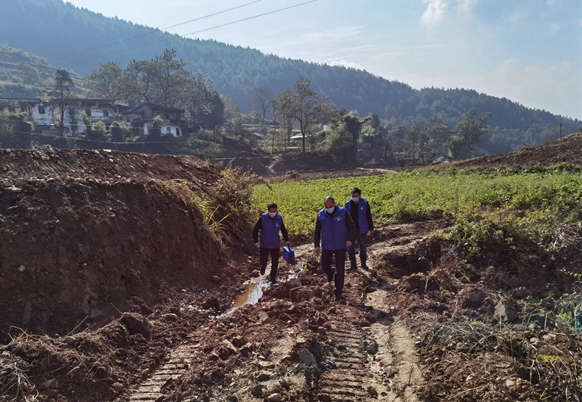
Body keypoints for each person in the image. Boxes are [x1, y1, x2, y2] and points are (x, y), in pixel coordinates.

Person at [314, 196, 356, 300]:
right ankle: (330, 272)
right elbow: (317, 231)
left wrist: (350, 239)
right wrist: (316, 245)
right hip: (327, 245)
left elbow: (352, 227)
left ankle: (339, 290)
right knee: (324, 265)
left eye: (330, 206)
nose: (328, 208)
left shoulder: (343, 212)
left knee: (340, 268)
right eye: (326, 206)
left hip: (340, 245)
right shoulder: (320, 215)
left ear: (335, 204)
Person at [252, 203, 289, 284]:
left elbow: (283, 229)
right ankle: (263, 266)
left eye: (274, 210)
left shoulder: (279, 218)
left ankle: (273, 277)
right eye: (271, 211)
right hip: (264, 243)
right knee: (263, 259)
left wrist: (287, 240)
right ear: (268, 210)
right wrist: (256, 241)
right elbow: (255, 229)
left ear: (276, 210)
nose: (272, 212)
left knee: (275, 261)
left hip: (275, 243)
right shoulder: (263, 218)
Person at [345, 187, 374, 271]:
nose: (354, 197)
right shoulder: (348, 204)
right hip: (351, 230)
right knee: (350, 248)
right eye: (353, 196)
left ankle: (363, 264)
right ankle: (353, 265)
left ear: (360, 195)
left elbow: (368, 216)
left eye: (356, 196)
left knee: (363, 247)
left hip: (362, 228)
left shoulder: (364, 203)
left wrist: (371, 228)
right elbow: (345, 217)